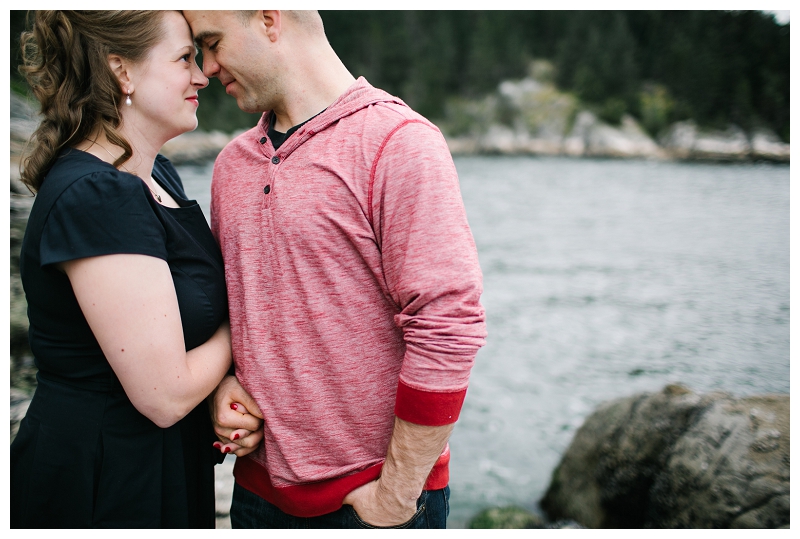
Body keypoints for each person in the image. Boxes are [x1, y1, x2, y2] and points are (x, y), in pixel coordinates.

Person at [183, 10, 487, 529]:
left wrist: (395, 496)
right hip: (256, 496)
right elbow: (233, 308)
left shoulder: (399, 141)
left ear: (268, 19)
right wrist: (224, 382)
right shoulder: (231, 164)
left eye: (212, 43)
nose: (207, 68)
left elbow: (447, 326)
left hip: (374, 502)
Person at [9, 10, 257, 528]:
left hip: (153, 462)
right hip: (104, 476)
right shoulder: (98, 195)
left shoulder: (152, 173)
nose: (202, 73)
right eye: (184, 58)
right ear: (121, 71)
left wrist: (219, 385)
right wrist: (250, 320)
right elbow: (165, 395)